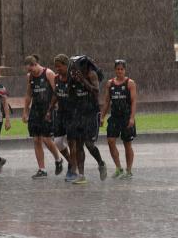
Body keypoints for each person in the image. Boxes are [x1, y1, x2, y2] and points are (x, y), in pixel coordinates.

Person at [67, 55, 107, 185]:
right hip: (78, 113)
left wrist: (83, 80)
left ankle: (101, 163)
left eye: (76, 68)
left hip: (91, 113)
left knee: (89, 144)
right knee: (79, 144)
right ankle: (81, 175)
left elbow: (96, 91)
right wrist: (71, 82)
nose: (74, 70)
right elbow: (70, 95)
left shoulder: (92, 74)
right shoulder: (73, 77)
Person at [22, 55, 63, 179]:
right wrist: (25, 111)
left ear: (35, 64)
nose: (30, 72)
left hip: (48, 109)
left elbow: (57, 92)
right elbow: (29, 94)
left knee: (46, 138)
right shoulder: (30, 77)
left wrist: (55, 108)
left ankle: (58, 159)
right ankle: (42, 169)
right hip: (36, 110)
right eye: (28, 71)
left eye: (31, 69)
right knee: (36, 139)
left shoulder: (48, 73)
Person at [101, 59, 137, 179]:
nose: (119, 71)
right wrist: (102, 116)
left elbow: (133, 102)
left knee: (127, 144)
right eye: (117, 69)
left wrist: (132, 118)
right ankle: (118, 168)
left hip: (126, 117)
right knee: (110, 141)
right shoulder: (110, 83)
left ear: (125, 70)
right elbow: (106, 102)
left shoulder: (130, 83)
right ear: (115, 70)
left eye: (122, 69)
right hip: (115, 117)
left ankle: (129, 170)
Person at [46, 54, 73, 179]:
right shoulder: (57, 78)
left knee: (72, 142)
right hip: (61, 113)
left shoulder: (73, 78)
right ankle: (71, 162)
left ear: (66, 66)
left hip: (72, 113)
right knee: (57, 141)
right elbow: (56, 94)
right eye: (55, 67)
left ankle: (73, 169)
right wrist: (49, 110)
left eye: (59, 66)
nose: (57, 69)